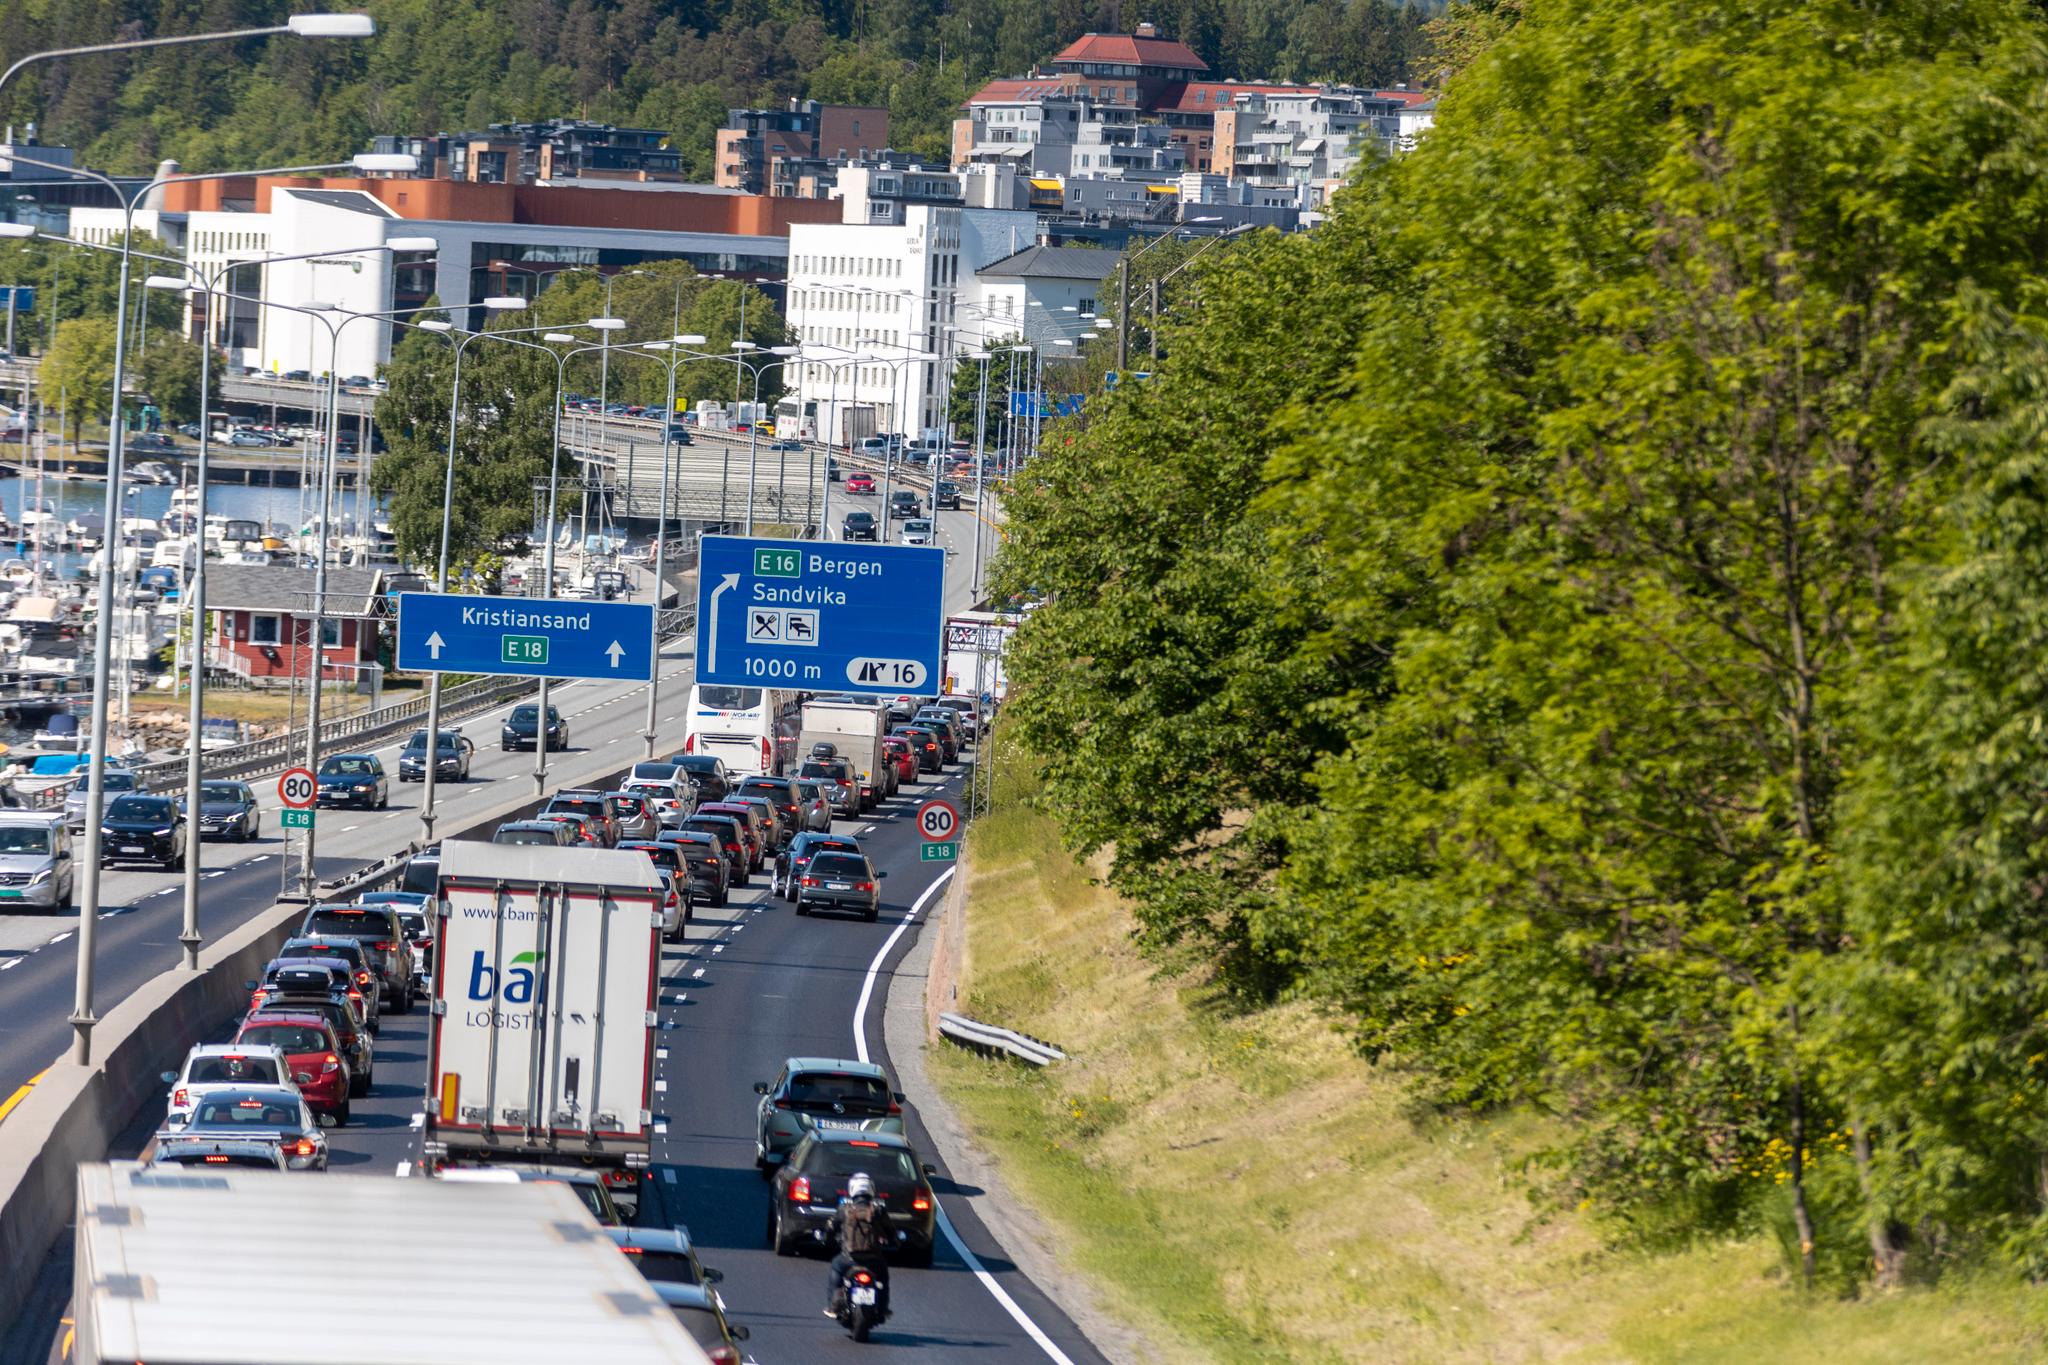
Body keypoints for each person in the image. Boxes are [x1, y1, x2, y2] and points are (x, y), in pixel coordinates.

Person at [825, 1172, 892, 1316]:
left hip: (849, 1258)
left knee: (836, 1267)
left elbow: (831, 1228)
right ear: (871, 1189)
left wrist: (828, 1239)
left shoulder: (844, 1209)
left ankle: (833, 1306)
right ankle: (884, 1308)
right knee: (883, 1275)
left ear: (852, 1189)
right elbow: (890, 1231)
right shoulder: (878, 1211)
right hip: (874, 1259)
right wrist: (894, 1242)